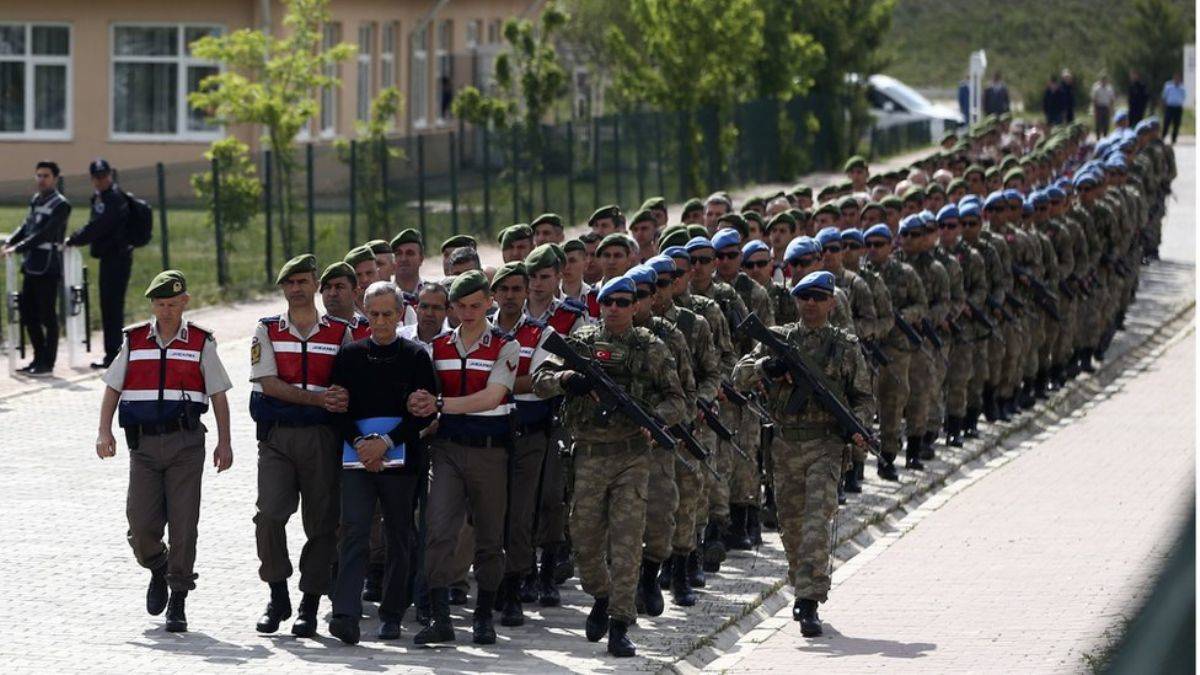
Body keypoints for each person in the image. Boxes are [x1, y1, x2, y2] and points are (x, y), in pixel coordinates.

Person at [532, 276, 686, 657]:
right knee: (584, 541)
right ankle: (601, 595)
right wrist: (567, 379)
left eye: (622, 302)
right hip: (587, 456)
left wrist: (654, 418)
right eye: (608, 302)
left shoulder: (651, 347)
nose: (614, 308)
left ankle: (620, 623)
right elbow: (540, 380)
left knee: (627, 541)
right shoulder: (581, 342)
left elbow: (677, 400)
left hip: (631, 456)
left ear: (635, 306)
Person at [731, 270, 872, 638]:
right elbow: (737, 377)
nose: (811, 303)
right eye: (804, 296)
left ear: (831, 302)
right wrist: (766, 367)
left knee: (815, 522)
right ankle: (801, 583)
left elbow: (862, 397)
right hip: (785, 445)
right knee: (792, 525)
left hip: (826, 445)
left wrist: (857, 427)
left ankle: (809, 600)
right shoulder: (777, 339)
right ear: (795, 300)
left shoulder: (845, 346)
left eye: (819, 297)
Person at [95, 270, 233, 633]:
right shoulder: (135, 340)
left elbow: (219, 395)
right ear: (152, 305)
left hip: (186, 444)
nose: (166, 311)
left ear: (185, 302)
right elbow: (113, 387)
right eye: (160, 304)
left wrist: (225, 441)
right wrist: (103, 431)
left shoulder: (200, 342)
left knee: (184, 525)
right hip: (143, 445)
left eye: (172, 304)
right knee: (141, 525)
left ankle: (178, 598)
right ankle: (158, 565)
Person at [408, 270, 520, 646]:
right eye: (461, 306)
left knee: (489, 537)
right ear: (452, 308)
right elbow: (424, 397)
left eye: (476, 305)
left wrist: (440, 405)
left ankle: (483, 616)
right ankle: (440, 618)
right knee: (439, 531)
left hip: (491, 452)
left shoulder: (505, 345)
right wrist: (420, 405)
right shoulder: (437, 347)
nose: (469, 313)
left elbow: (492, 397)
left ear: (489, 303)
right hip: (448, 451)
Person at [327, 281, 437, 644]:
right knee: (354, 531)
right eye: (373, 314)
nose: (380, 321)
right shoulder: (350, 356)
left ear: (400, 313)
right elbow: (337, 407)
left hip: (401, 460)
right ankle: (345, 613)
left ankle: (392, 613)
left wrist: (386, 443)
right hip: (357, 458)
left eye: (387, 314)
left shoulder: (416, 356)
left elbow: (423, 412)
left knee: (399, 535)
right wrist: (361, 444)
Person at [249, 254, 351, 638]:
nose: (296, 289)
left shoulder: (340, 333)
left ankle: (309, 603)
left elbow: (348, 386)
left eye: (303, 281)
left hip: (322, 438)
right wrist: (318, 399)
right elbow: (268, 383)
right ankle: (277, 595)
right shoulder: (266, 329)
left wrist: (334, 402)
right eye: (289, 283)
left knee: (322, 523)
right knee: (269, 515)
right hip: (277, 437)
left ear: (315, 286)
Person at [2, 160, 70, 375]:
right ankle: (37, 358)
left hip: (48, 266)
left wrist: (18, 248)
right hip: (31, 264)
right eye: (39, 175)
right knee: (28, 313)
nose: (41, 180)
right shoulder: (36, 200)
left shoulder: (61, 205)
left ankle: (48, 362)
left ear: (55, 179)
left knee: (47, 315)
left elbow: (45, 234)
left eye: (46, 176)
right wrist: (10, 241)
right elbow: (27, 226)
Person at [65, 158, 131, 369]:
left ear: (110, 175)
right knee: (108, 305)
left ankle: (115, 356)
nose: (101, 180)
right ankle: (113, 354)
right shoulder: (100, 197)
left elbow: (100, 225)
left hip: (118, 258)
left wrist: (75, 238)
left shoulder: (114, 198)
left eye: (104, 176)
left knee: (113, 306)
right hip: (108, 257)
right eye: (97, 177)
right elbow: (96, 224)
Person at [1161, 73, 1186, 144]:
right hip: (1170, 107)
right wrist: (1163, 106)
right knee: (1166, 123)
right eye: (1176, 78)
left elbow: (1184, 96)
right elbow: (1164, 96)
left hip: (1178, 108)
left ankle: (1174, 139)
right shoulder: (1168, 86)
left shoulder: (1182, 87)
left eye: (1178, 79)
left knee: (1176, 124)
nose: (1177, 80)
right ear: (1173, 79)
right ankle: (1163, 137)